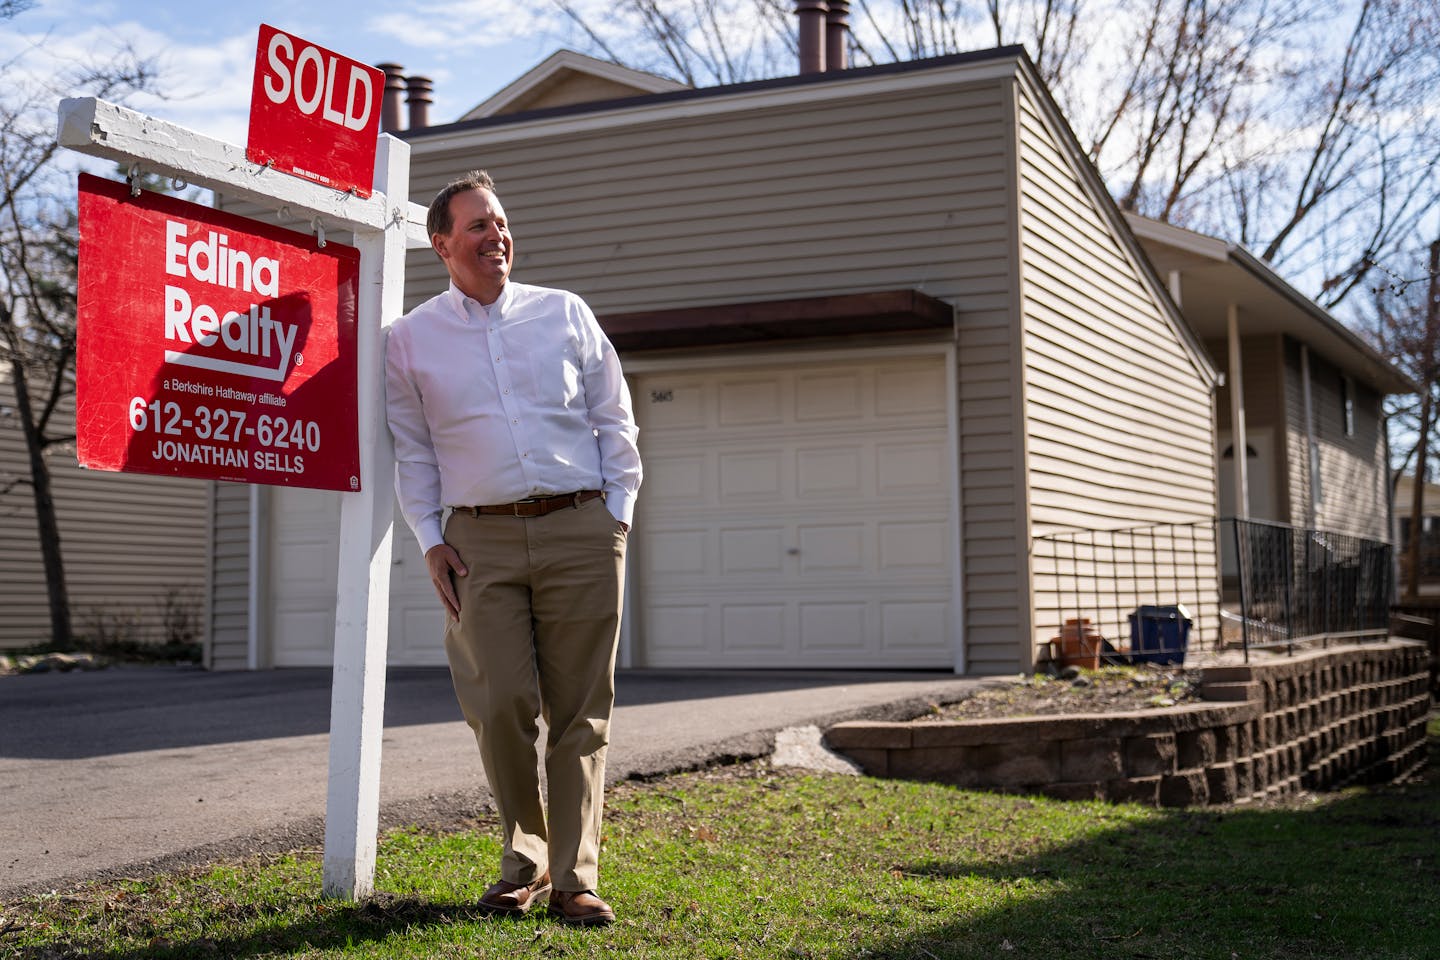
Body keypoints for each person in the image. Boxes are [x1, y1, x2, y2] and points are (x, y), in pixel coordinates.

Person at [385, 170, 641, 926]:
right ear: (442, 244)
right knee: (498, 704)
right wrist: (431, 539)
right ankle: (524, 856)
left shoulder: (564, 313)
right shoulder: (410, 339)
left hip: (580, 526)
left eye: (499, 222)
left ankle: (572, 878)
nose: (495, 235)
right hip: (476, 541)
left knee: (580, 711)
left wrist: (615, 517)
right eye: (476, 226)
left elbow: (614, 420)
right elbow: (414, 452)